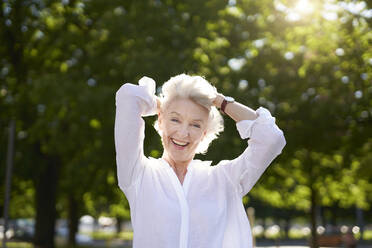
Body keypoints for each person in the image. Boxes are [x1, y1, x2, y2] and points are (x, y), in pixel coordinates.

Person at [114, 74, 286, 248]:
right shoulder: (138, 175)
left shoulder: (225, 179)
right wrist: (164, 104)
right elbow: (128, 96)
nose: (183, 133)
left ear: (204, 133)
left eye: (195, 125)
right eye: (175, 119)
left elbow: (271, 139)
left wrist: (219, 101)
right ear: (160, 120)